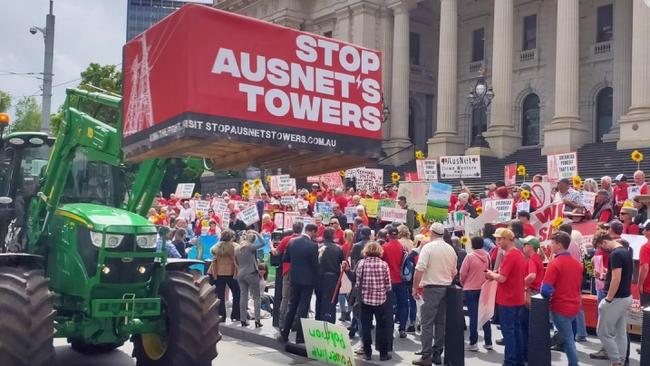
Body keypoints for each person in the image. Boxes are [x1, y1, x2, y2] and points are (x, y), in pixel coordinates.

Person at [412, 223, 457, 366]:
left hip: (431, 288)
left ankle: (426, 356)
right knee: (440, 323)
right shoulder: (450, 249)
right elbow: (454, 272)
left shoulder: (428, 247)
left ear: (431, 233)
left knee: (427, 323)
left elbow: (419, 269)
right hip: (446, 288)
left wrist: (415, 287)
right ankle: (437, 353)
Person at [541, 231, 584, 366]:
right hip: (575, 305)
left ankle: (574, 364)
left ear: (559, 245)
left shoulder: (555, 263)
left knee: (568, 339)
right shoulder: (577, 264)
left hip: (560, 306)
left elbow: (545, 290)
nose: (550, 245)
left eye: (552, 243)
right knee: (567, 336)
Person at [485, 228, 526, 366]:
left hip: (508, 299)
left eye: (499, 239)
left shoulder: (510, 255)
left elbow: (502, 278)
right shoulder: (518, 254)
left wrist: (491, 274)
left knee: (509, 332)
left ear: (507, 239)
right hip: (517, 297)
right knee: (516, 330)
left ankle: (510, 361)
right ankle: (518, 360)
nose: (497, 242)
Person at [277, 224, 319, 344]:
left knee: (292, 306)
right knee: (303, 308)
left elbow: (286, 258)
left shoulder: (292, 242)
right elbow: (315, 265)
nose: (316, 235)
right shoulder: (313, 245)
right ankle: (300, 337)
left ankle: (284, 334)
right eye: (316, 233)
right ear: (312, 231)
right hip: (308, 280)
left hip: (294, 278)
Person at [597, 234, 634, 366]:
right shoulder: (626, 252)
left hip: (616, 298)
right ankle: (620, 361)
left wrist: (608, 299)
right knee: (620, 332)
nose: (602, 249)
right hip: (625, 296)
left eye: (601, 246)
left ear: (604, 242)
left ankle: (616, 361)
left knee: (602, 332)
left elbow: (616, 279)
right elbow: (621, 276)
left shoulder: (616, 254)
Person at [355, 242, 393, 361]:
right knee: (382, 326)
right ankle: (383, 353)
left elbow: (357, 283)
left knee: (366, 327)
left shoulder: (362, 264)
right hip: (381, 300)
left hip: (365, 300)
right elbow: (388, 285)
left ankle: (367, 353)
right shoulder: (383, 264)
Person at [459, 236, 492, 352]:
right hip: (483, 288)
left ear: (472, 244)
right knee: (485, 315)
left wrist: (464, 283)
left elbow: (462, 273)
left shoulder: (469, 257)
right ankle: (488, 342)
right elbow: (490, 271)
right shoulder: (487, 256)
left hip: (470, 288)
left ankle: (473, 342)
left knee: (473, 316)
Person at [272, 222, 301, 329]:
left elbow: (276, 253)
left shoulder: (286, 239)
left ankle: (282, 322)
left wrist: (271, 245)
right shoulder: (304, 239)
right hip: (300, 271)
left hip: (287, 271)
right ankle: (295, 322)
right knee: (297, 298)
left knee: (285, 297)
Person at [208, 229, 241, 322]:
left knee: (220, 295)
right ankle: (236, 315)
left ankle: (221, 315)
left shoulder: (216, 247)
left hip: (218, 273)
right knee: (237, 293)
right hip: (232, 273)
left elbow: (213, 257)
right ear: (232, 237)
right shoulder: (236, 247)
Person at [235, 230, 265, 328]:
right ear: (253, 240)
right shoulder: (250, 247)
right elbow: (263, 243)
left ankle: (243, 319)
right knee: (256, 297)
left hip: (241, 273)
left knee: (243, 296)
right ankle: (257, 320)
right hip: (251, 273)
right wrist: (257, 233)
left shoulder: (238, 248)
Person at [315, 227, 344, 324]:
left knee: (319, 299)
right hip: (333, 278)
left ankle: (318, 321)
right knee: (331, 301)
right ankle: (329, 322)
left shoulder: (318, 247)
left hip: (319, 277)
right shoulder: (338, 248)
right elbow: (342, 262)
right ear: (333, 235)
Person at [638, 220, 650, 307]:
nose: (642, 232)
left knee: (646, 317)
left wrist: (640, 284)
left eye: (644, 229)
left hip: (648, 288)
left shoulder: (645, 247)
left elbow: (645, 268)